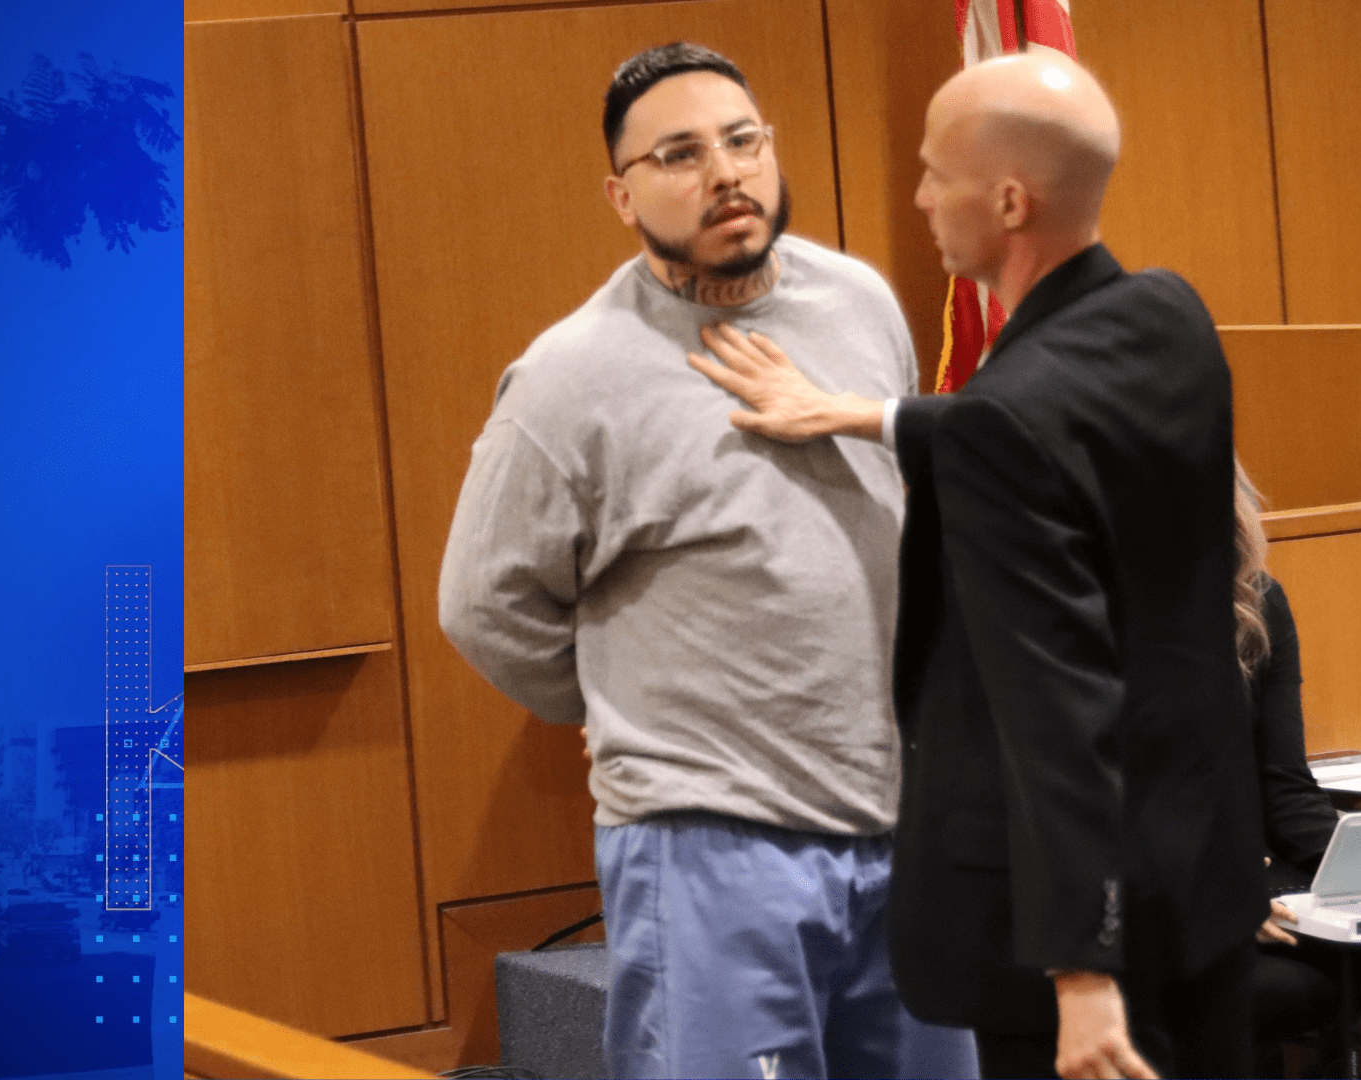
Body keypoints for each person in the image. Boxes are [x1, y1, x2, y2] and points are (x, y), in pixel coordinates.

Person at [686, 51, 1269, 1079]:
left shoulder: (1009, 422)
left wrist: (1081, 981)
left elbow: (1058, 707)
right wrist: (873, 413)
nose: (917, 197)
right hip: (1203, 891)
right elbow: (1053, 427)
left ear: (1007, 200)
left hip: (1081, 953)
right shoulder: (1168, 318)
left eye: (932, 172)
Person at [436, 42, 978, 1080]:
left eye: (742, 140)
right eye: (679, 155)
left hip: (899, 825)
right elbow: (482, 603)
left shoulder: (860, 300)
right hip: (710, 843)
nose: (726, 172)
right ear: (622, 195)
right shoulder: (570, 377)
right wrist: (609, 701)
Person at [1233, 464, 1361, 1073]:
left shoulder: (1258, 599)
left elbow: (1286, 786)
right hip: (1156, 874)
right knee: (1292, 983)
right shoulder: (1102, 608)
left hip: (1260, 862)